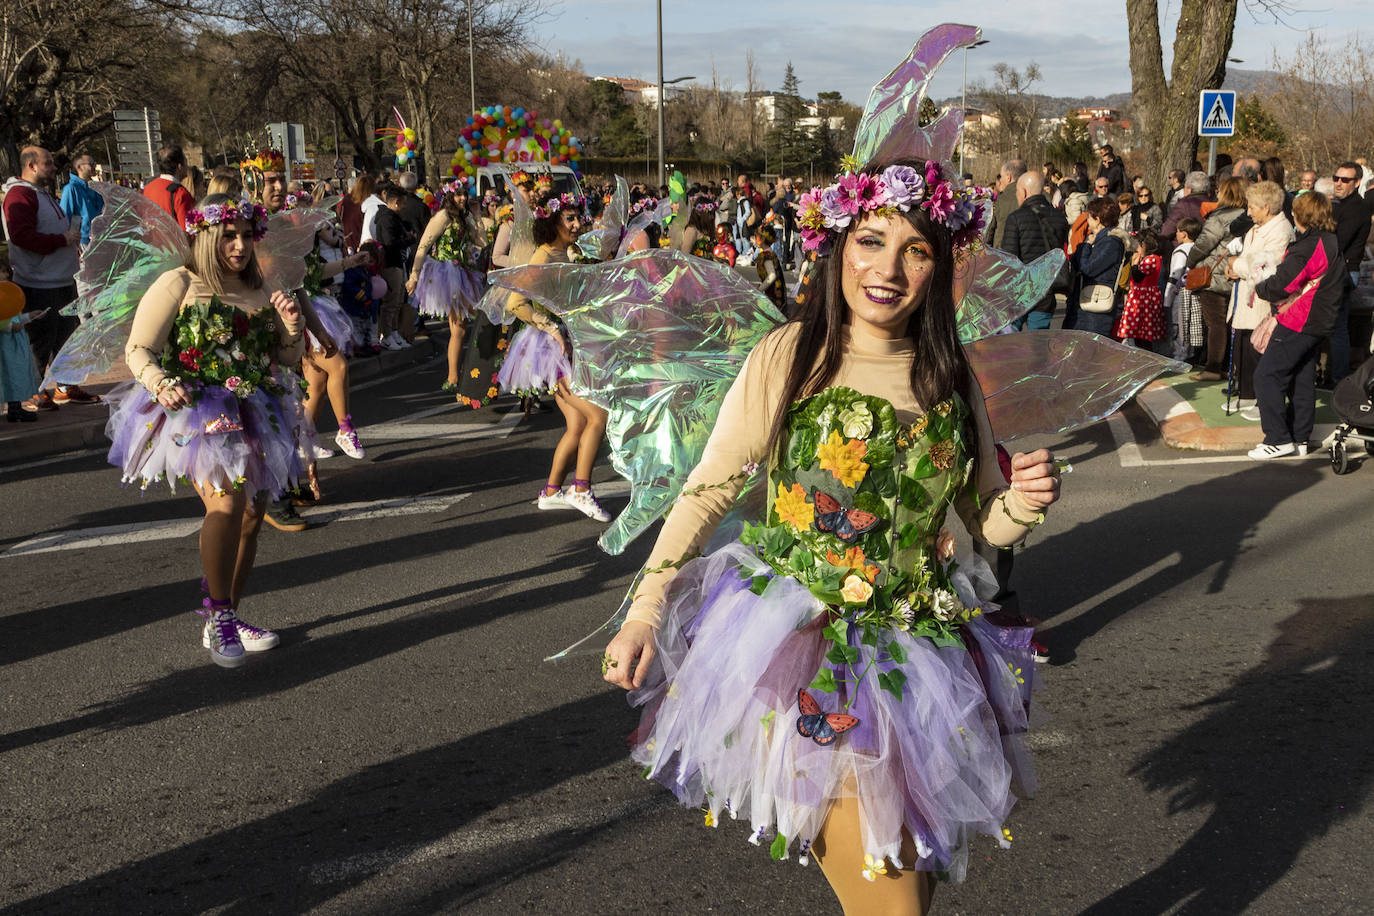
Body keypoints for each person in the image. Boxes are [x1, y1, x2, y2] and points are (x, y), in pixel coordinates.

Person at [601, 157, 1061, 913]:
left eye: (915, 251)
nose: (888, 269)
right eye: (870, 242)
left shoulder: (950, 373)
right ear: (836, 245)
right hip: (803, 650)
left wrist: (1027, 502)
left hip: (920, 656)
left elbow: (985, 521)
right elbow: (708, 489)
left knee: (907, 877)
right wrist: (648, 609)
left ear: (940, 267)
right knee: (891, 902)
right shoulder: (791, 355)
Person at [106, 195, 306, 666]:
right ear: (207, 236)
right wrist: (160, 382)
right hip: (199, 409)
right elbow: (139, 349)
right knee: (228, 503)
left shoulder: (260, 289)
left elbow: (288, 361)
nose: (238, 246)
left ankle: (228, 614)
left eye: (244, 236)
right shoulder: (178, 282)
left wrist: (292, 328)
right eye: (228, 237)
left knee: (254, 516)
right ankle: (217, 616)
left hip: (255, 407)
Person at [494, 190, 610, 521]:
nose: (577, 224)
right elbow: (516, 303)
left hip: (572, 344)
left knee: (576, 424)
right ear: (553, 222)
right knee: (597, 417)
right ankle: (582, 489)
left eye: (578, 217)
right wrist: (553, 329)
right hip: (551, 350)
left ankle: (550, 492)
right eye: (569, 219)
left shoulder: (566, 252)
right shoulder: (543, 257)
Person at [1248, 191, 1347, 459]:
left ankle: (1278, 438)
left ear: (1299, 215)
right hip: (1321, 320)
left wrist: (1259, 286)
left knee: (1267, 375)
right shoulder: (1331, 241)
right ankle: (1299, 436)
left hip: (1300, 319)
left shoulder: (1307, 246)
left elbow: (1283, 284)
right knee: (1301, 378)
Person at [1, 145, 97, 410]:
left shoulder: (41, 194)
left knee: (66, 339)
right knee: (39, 342)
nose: (54, 168)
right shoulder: (20, 195)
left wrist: (68, 240)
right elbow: (21, 237)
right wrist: (60, 240)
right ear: (31, 166)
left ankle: (65, 385)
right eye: (48, 163)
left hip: (62, 280)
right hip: (38, 284)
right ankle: (33, 391)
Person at [407, 181, 486, 391]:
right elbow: (424, 245)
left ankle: (457, 374)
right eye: (458, 195)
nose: (463, 199)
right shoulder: (442, 217)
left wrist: (477, 216)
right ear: (449, 196)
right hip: (447, 276)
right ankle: (453, 377)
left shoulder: (465, 216)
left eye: (464, 195)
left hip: (465, 273)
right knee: (459, 329)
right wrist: (414, 275)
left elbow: (482, 242)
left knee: (465, 327)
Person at [1224, 181, 1294, 414]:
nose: (1249, 212)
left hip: (1264, 299)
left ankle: (1260, 399)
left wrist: (1237, 265)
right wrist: (1234, 267)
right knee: (1244, 343)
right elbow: (1247, 260)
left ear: (1266, 207)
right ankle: (1246, 393)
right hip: (1246, 294)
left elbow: (1266, 267)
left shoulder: (1281, 230)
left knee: (1259, 346)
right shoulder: (1255, 227)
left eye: (1252, 207)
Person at [1184, 177, 1246, 381]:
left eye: (1219, 190)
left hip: (1214, 274)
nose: (1216, 193)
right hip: (1235, 273)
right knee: (1229, 323)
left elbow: (1204, 243)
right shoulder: (1248, 216)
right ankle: (1230, 366)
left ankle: (1212, 367)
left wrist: (1191, 260)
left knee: (1215, 323)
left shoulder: (1220, 216)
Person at [1001, 171, 1069, 330]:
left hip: (1019, 293)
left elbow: (1009, 259)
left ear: (1024, 191)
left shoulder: (1016, 218)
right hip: (1045, 292)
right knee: (1038, 343)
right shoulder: (1059, 218)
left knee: (1009, 341)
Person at [1327, 160, 1372, 385]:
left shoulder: (1357, 208)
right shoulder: (1339, 204)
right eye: (1336, 178)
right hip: (1336, 271)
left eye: (1345, 180)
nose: (1338, 183)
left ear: (1357, 183)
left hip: (1344, 271)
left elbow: (1338, 242)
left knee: (1337, 328)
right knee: (1334, 327)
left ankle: (1338, 379)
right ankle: (1333, 375)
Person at [1066, 196, 1126, 336]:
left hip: (1095, 310)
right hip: (1084, 304)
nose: (1087, 220)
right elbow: (1076, 262)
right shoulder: (1098, 240)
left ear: (1098, 219)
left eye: (1089, 217)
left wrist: (1086, 246)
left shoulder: (1111, 243)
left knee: (1090, 351)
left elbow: (1088, 268)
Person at [374, 186, 416, 349]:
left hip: (397, 263)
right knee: (391, 301)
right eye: (404, 203)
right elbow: (390, 244)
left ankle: (394, 331)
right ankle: (387, 334)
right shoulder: (387, 219)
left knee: (398, 301)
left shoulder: (393, 218)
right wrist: (408, 240)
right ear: (396, 202)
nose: (405, 207)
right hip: (391, 264)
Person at [1114, 228, 1165, 347]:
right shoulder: (1149, 258)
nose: (1136, 249)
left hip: (1144, 299)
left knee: (1143, 331)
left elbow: (1137, 277)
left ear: (1145, 245)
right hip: (1142, 297)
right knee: (1139, 332)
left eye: (1138, 245)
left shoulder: (1152, 259)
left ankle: (1145, 352)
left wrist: (1134, 264)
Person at [1163, 218, 1203, 362]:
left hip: (1181, 293)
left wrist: (1167, 300)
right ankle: (1191, 355)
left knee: (1179, 324)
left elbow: (1175, 275)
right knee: (1192, 323)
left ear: (1184, 234)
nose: (1176, 234)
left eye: (1178, 231)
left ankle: (1179, 356)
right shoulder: (1199, 248)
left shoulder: (1180, 251)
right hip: (1196, 291)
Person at [143, 146, 195, 229]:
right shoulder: (180, 193)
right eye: (186, 162)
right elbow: (189, 231)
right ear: (179, 166)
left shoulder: (148, 188)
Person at [59, 154, 104, 248]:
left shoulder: (95, 188)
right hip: (83, 241)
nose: (94, 166)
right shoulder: (71, 189)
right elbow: (65, 218)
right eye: (91, 164)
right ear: (79, 167)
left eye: (94, 163)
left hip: (100, 238)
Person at [985, 158, 1026, 248]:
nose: (1000, 181)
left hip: (1003, 253)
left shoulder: (1001, 201)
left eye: (1001, 176)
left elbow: (989, 232)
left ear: (1008, 177)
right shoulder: (1040, 196)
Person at [752, 224, 786, 310]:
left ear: (763, 239)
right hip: (771, 290)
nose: (755, 239)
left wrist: (760, 289)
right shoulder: (769, 254)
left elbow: (772, 276)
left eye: (757, 237)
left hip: (773, 292)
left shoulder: (767, 256)